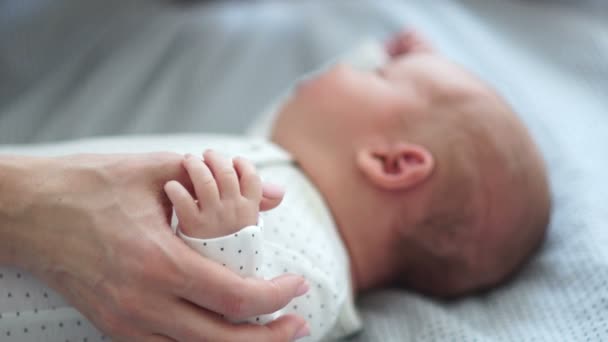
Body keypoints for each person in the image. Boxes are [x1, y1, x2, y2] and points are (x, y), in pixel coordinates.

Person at [161, 30, 551, 340]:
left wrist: (221, 242)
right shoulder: (278, 155)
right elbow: (301, 110)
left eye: (377, 75)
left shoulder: (318, 273)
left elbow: (244, 320)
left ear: (392, 163)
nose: (355, 67)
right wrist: (378, 56)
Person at [0, 153, 311, 341]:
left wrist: (225, 245)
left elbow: (249, 314)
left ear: (363, 157)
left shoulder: (315, 244)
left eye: (362, 73)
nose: (343, 64)